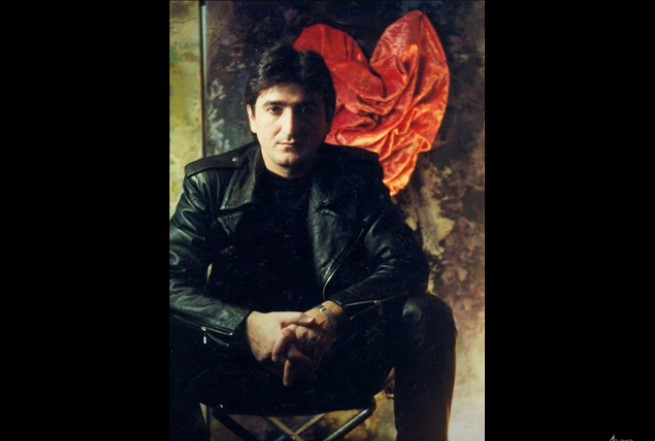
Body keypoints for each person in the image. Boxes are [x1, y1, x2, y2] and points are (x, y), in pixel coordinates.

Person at [170, 44, 457, 441]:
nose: (290, 128)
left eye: (305, 109)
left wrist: (332, 314)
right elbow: (173, 281)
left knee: (427, 312)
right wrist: (246, 326)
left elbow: (405, 265)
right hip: (236, 367)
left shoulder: (356, 178)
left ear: (327, 119)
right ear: (252, 117)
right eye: (275, 109)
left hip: (338, 363)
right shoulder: (210, 184)